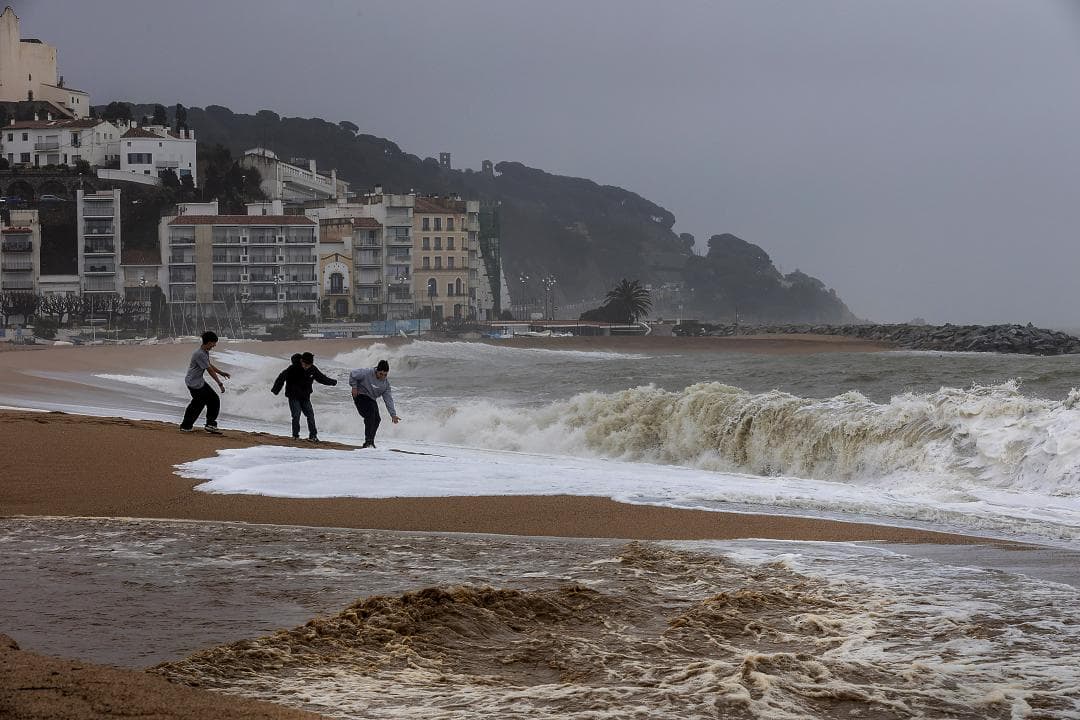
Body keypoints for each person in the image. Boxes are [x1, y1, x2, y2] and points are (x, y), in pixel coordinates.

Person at [271, 351, 337, 442]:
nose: (306, 367)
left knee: (310, 415)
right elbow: (281, 377)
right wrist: (276, 389)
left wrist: (333, 382)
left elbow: (321, 378)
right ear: (301, 361)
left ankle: (313, 436)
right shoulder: (293, 368)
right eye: (305, 365)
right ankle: (295, 436)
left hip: (305, 397)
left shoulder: (312, 369)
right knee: (296, 415)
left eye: (308, 365)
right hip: (293, 396)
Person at [180, 331, 230, 434]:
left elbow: (209, 365)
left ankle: (187, 426)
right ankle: (209, 425)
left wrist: (221, 372)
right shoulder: (200, 354)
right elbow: (209, 370)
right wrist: (219, 383)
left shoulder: (204, 352)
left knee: (200, 403)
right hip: (195, 383)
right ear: (208, 342)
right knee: (211, 401)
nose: (214, 345)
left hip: (195, 381)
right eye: (214, 343)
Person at [348, 359, 401, 448]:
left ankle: (370, 441)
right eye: (381, 374)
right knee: (370, 415)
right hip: (360, 395)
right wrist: (354, 387)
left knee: (377, 419)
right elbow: (353, 374)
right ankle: (368, 441)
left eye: (385, 375)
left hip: (371, 399)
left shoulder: (386, 385)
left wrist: (393, 414)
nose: (382, 377)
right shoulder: (367, 372)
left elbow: (388, 399)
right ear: (377, 371)